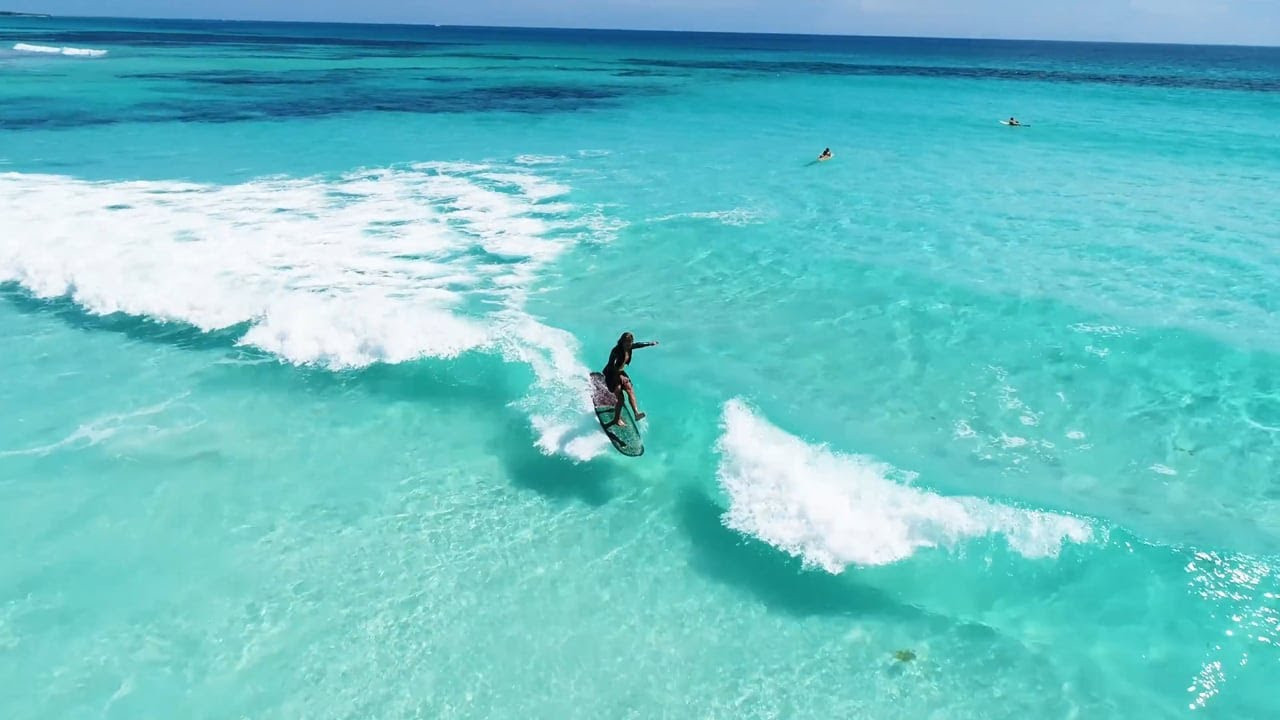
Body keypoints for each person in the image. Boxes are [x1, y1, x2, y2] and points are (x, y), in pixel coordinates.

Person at [602, 332, 658, 428]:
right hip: (611, 374)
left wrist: (649, 343)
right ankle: (616, 420)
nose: (629, 344)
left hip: (620, 373)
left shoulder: (630, 347)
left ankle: (636, 413)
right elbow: (611, 366)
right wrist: (619, 377)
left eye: (630, 342)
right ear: (622, 342)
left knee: (630, 389)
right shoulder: (616, 351)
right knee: (621, 399)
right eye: (626, 342)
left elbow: (638, 345)